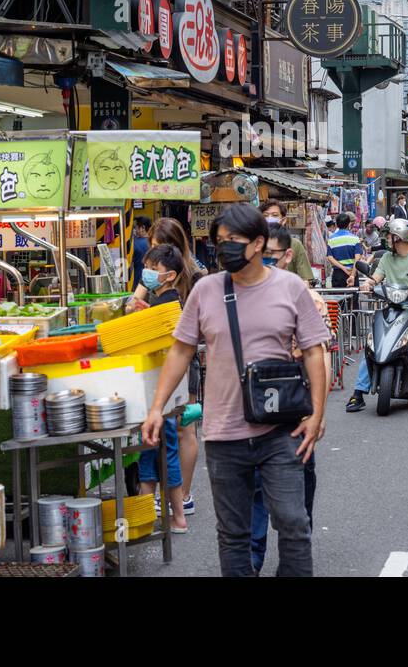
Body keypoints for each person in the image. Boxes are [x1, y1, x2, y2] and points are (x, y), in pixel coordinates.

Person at [143, 204, 329, 578]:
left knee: (293, 522)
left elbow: (313, 350)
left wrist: (317, 414)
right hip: (224, 432)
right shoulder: (206, 290)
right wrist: (156, 407)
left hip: (281, 428)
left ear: (259, 243)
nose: (223, 247)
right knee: (233, 533)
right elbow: (181, 349)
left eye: (233, 241)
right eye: (219, 241)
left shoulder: (290, 287)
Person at [249, 225, 332, 574]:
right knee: (254, 490)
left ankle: (297, 550)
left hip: (294, 407)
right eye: (259, 252)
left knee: (297, 489)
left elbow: (321, 355)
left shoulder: (305, 298)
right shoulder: (241, 292)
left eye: (271, 254)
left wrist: (317, 411)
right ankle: (251, 561)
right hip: (251, 409)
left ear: (286, 255)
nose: (264, 260)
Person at [345, 218, 408, 412]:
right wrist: (368, 284)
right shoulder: (386, 258)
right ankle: (358, 394)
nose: (387, 239)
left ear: (398, 237)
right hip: (392, 308)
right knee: (372, 346)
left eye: (390, 235)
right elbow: (376, 278)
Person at [134, 244, 193, 533]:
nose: (147, 274)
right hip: (159, 394)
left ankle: (178, 517)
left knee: (161, 452)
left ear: (169, 275)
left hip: (162, 395)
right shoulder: (165, 300)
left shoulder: (168, 305)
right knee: (150, 451)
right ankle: (147, 517)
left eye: (153, 269)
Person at [260, 200, 314, 285]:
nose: (269, 218)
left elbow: (305, 280)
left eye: (274, 215)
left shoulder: (295, 244)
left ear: (283, 220)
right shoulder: (254, 244)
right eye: (265, 215)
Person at [326, 212, 362, 288]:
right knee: (353, 298)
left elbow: (330, 258)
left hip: (338, 274)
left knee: (337, 298)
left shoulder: (331, 239)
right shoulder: (355, 239)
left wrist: (343, 268)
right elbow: (357, 259)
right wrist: (352, 275)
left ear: (336, 225)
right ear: (349, 224)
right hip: (353, 272)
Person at [129, 216, 152, 290]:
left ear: (142, 228)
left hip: (137, 282)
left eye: (135, 227)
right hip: (152, 283)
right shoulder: (154, 241)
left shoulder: (134, 243)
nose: (134, 230)